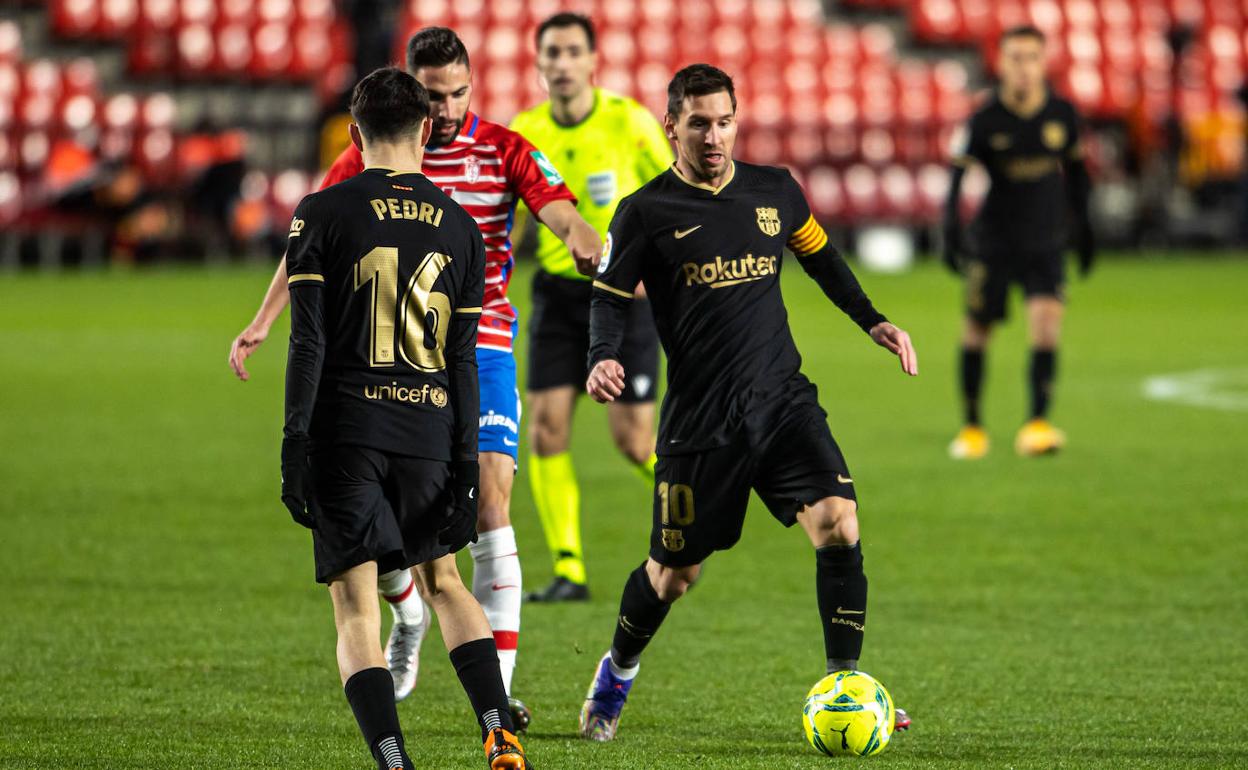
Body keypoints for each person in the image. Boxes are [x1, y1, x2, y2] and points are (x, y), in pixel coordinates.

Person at [230, 27, 602, 722]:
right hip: (389, 356)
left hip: (478, 345)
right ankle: (407, 615)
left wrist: (580, 236)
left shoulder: (505, 148)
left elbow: (559, 210)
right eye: (434, 97)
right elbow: (308, 244)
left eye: (459, 93)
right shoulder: (367, 153)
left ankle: (499, 693)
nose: (448, 108)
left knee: (488, 504)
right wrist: (264, 317)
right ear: (413, 99)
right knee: (393, 522)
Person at [576, 64, 917, 742]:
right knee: (674, 576)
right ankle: (617, 671)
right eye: (698, 123)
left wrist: (873, 320)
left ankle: (845, 686)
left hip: (782, 401)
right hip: (702, 422)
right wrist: (602, 355)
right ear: (671, 126)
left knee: (838, 521)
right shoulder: (645, 212)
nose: (714, 136)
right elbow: (609, 297)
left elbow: (822, 259)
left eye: (725, 122)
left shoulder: (775, 190)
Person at [279, 67, 530, 770]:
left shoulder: (321, 212)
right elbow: (462, 360)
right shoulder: (461, 227)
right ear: (424, 130)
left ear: (354, 135)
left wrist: (294, 442)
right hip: (428, 432)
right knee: (445, 581)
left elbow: (308, 343)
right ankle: (498, 730)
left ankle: (394, 761)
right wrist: (464, 463)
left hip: (347, 434)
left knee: (357, 606)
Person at [508, 12, 672, 603]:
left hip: (625, 297)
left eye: (572, 51)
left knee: (633, 441)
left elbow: (674, 195)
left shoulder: (629, 122)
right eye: (552, 52)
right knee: (546, 430)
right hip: (557, 296)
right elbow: (510, 220)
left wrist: (659, 270)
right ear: (538, 63)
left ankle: (692, 511)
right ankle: (569, 569)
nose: (562, 63)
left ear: (593, 60)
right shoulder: (525, 131)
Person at [943, 25, 1094, 459]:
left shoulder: (1063, 114)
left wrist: (1085, 227)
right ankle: (972, 427)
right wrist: (950, 228)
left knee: (1046, 329)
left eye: (1031, 57)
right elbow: (956, 177)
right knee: (977, 331)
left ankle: (1037, 424)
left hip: (1045, 240)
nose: (1024, 67)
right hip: (994, 241)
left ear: (1044, 62)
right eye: (1015, 57)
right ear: (1001, 63)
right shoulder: (984, 118)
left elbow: (1078, 174)